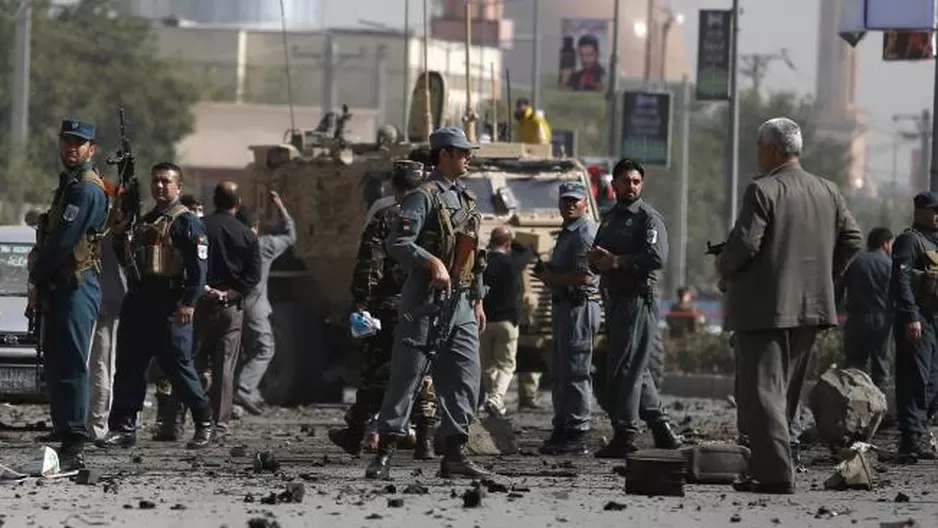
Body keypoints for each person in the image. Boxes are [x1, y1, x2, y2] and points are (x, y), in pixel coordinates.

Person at [715, 117, 862, 493]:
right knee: (783, 396)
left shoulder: (763, 190)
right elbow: (853, 239)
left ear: (773, 149)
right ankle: (773, 466)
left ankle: (775, 474)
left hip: (764, 311)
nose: (757, 152)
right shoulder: (827, 190)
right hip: (810, 309)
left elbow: (745, 245)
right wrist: (825, 278)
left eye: (760, 145)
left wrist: (723, 265)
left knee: (762, 393)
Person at [365, 126, 491, 480]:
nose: (470, 157)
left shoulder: (467, 200)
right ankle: (385, 453)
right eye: (463, 152)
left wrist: (478, 300)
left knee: (466, 378)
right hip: (425, 301)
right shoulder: (423, 196)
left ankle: (455, 453)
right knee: (408, 376)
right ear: (444, 155)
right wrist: (431, 262)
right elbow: (398, 243)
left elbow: (475, 255)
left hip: (463, 304)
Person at [96, 163, 216, 449]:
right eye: (157, 181)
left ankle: (204, 421)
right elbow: (128, 260)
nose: (160, 186)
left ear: (178, 187)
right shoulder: (145, 220)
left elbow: (199, 268)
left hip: (170, 304)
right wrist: (119, 235)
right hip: (139, 301)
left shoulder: (187, 222)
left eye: (166, 181)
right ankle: (123, 427)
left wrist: (189, 303)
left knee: (178, 367)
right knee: (128, 367)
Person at [329, 161, 438, 459]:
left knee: (378, 372)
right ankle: (426, 438)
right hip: (427, 306)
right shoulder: (436, 217)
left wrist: (360, 302)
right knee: (424, 372)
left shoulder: (386, 217)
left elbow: (369, 266)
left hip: (390, 307)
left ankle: (355, 432)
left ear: (395, 186)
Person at [27, 119, 110, 470]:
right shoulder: (69, 185)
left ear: (92, 150)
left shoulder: (86, 189)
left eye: (80, 143)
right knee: (58, 362)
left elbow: (63, 241)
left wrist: (35, 275)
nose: (71, 149)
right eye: (67, 142)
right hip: (61, 286)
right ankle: (65, 431)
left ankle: (74, 439)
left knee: (72, 363)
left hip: (76, 285)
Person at [588, 158, 682, 458]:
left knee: (627, 369)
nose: (631, 186)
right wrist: (596, 261)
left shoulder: (647, 218)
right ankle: (660, 427)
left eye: (636, 181)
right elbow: (600, 252)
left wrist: (618, 261)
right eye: (626, 181)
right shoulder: (611, 218)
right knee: (634, 368)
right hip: (614, 300)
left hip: (636, 300)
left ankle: (626, 433)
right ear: (614, 184)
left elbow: (656, 257)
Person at [535, 181, 601, 456]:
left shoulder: (584, 232)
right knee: (562, 373)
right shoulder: (569, 232)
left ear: (585, 202)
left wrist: (552, 277)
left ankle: (577, 432)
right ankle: (563, 429)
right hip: (566, 306)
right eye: (566, 200)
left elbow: (586, 276)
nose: (570, 204)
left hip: (579, 306)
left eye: (575, 200)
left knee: (575, 371)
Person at [195, 181, 261, 440]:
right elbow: (253, 275)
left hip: (200, 304)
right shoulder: (247, 234)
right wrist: (230, 293)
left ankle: (198, 422)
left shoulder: (201, 227)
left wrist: (205, 289)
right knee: (225, 370)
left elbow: (190, 263)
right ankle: (219, 426)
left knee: (195, 363)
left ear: (214, 200)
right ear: (238, 203)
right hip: (231, 309)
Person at [234, 191, 297, 415]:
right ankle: (244, 389)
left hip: (229, 306)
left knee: (238, 353)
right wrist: (281, 208)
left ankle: (234, 403)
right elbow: (290, 236)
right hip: (255, 307)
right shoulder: (264, 245)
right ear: (256, 225)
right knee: (264, 349)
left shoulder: (228, 243)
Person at [890, 193, 938, 459]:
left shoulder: (934, 242)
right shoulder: (910, 240)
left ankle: (919, 431)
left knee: (932, 379)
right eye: (933, 211)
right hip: (917, 318)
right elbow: (902, 279)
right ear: (919, 211)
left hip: (932, 318)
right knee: (914, 379)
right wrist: (910, 315)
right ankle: (910, 438)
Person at [479, 226, 533, 416]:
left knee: (487, 366)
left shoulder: (482, 263)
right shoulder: (512, 263)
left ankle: (495, 400)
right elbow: (528, 252)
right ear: (508, 244)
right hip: (508, 321)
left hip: (485, 321)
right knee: (507, 365)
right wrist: (514, 239)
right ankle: (496, 399)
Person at [837, 226, 894, 393]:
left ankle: (851, 405)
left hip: (857, 319)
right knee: (881, 365)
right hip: (882, 320)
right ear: (885, 243)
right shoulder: (890, 264)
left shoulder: (855, 262)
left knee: (854, 365)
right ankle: (880, 406)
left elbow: (840, 288)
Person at [87, 231, 126, 441]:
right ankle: (94, 424)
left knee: (102, 366)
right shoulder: (108, 233)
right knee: (100, 367)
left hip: (108, 308)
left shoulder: (112, 235)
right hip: (102, 305)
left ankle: (97, 425)